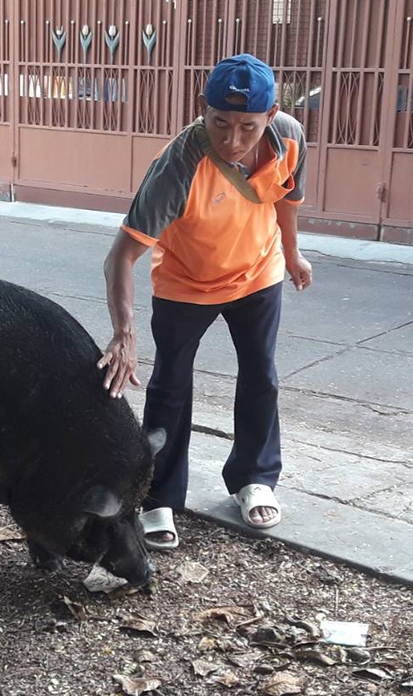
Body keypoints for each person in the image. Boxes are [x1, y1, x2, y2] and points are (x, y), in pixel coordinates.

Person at [97, 53, 314, 551]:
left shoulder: (289, 137)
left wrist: (292, 253)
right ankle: (158, 495)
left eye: (248, 127)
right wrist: (124, 333)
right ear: (202, 108)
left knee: (261, 374)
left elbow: (287, 198)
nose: (233, 140)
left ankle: (253, 478)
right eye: (220, 123)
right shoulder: (177, 165)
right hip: (187, 282)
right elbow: (120, 256)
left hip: (258, 273)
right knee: (170, 385)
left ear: (271, 114)